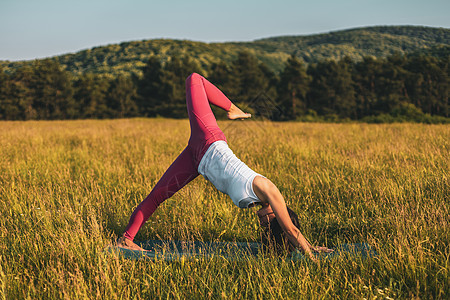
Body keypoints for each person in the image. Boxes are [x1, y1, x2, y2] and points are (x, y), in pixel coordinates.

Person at [117, 73, 332, 259]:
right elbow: (290, 229)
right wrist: (311, 255)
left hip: (197, 160)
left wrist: (309, 245)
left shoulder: (255, 202)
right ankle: (233, 109)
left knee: (157, 196)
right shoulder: (268, 189)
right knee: (194, 79)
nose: (262, 224)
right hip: (209, 141)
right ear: (275, 214)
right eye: (267, 224)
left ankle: (125, 240)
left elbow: (290, 231)